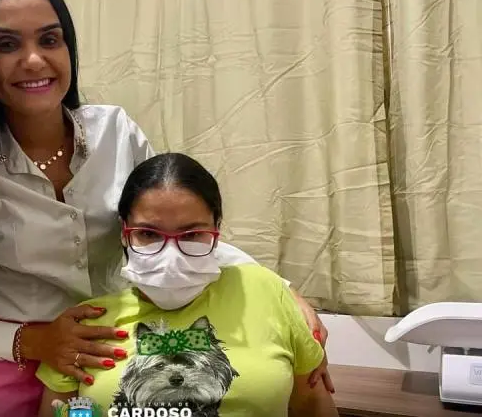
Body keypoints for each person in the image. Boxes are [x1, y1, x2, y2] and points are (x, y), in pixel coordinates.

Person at [0, 0, 331, 415]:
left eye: (50, 39)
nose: (34, 60)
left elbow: (172, 227)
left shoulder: (115, 132)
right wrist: (32, 341)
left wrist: (282, 293)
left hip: (111, 360)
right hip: (7, 370)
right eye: (7, 45)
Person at [37, 153, 338, 417]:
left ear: (217, 230)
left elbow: (312, 404)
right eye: (149, 234)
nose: (171, 257)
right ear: (124, 233)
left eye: (192, 235)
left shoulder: (268, 293)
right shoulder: (87, 322)